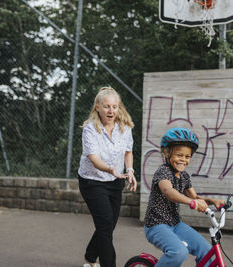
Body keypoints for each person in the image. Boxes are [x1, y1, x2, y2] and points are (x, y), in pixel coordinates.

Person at [143, 127, 225, 267]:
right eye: (179, 155)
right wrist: (191, 202)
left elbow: (195, 197)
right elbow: (169, 191)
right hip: (156, 225)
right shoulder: (163, 172)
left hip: (175, 224)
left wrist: (212, 201)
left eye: (187, 157)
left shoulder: (184, 177)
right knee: (178, 252)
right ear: (167, 153)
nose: (183, 160)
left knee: (206, 250)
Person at [78, 87, 137, 267]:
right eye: (106, 107)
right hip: (92, 181)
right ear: (97, 107)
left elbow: (128, 152)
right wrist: (111, 169)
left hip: (115, 181)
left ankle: (90, 256)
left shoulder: (125, 128)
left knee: (109, 224)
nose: (111, 111)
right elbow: (94, 160)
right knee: (105, 227)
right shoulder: (90, 129)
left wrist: (130, 171)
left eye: (114, 106)